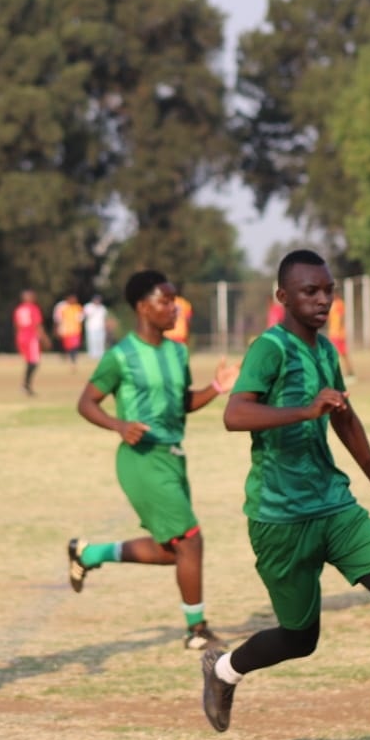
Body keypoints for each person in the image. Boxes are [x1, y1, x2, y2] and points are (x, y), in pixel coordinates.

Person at [201, 249, 370, 740]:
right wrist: (304, 409)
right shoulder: (269, 349)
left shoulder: (326, 350)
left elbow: (343, 417)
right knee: (299, 638)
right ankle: (224, 669)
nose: (322, 299)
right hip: (280, 518)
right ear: (283, 298)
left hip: (335, 507)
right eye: (310, 291)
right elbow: (235, 414)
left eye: (327, 289)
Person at [68, 270, 238, 650]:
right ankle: (196, 631)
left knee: (174, 549)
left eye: (175, 300)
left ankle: (89, 553)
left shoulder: (178, 352)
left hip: (174, 458)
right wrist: (118, 424)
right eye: (166, 301)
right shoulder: (121, 356)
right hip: (140, 459)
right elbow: (85, 402)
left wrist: (215, 388)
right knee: (191, 541)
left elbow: (181, 405)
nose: (174, 308)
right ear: (143, 307)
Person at [13, 290, 50, 395]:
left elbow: (16, 325)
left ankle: (25, 385)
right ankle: (26, 385)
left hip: (21, 337)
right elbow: (38, 325)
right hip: (31, 338)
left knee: (30, 362)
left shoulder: (18, 309)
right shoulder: (33, 308)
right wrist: (45, 339)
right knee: (34, 362)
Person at [326, 293, 354, 377]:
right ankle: (349, 373)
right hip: (333, 333)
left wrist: (339, 330)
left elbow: (341, 317)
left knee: (338, 354)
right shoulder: (331, 304)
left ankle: (348, 373)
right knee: (342, 354)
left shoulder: (339, 304)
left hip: (338, 334)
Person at [54, 293, 85, 370]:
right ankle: (71, 359)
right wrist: (59, 328)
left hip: (76, 330)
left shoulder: (78, 307)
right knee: (69, 347)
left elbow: (80, 318)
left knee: (75, 346)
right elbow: (59, 319)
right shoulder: (63, 308)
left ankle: (73, 360)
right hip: (67, 330)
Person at [82, 295, 108, 359]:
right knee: (92, 341)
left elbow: (104, 318)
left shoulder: (102, 308)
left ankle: (100, 354)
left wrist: (106, 327)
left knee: (100, 341)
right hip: (91, 327)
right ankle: (93, 355)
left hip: (100, 327)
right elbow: (83, 315)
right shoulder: (88, 307)